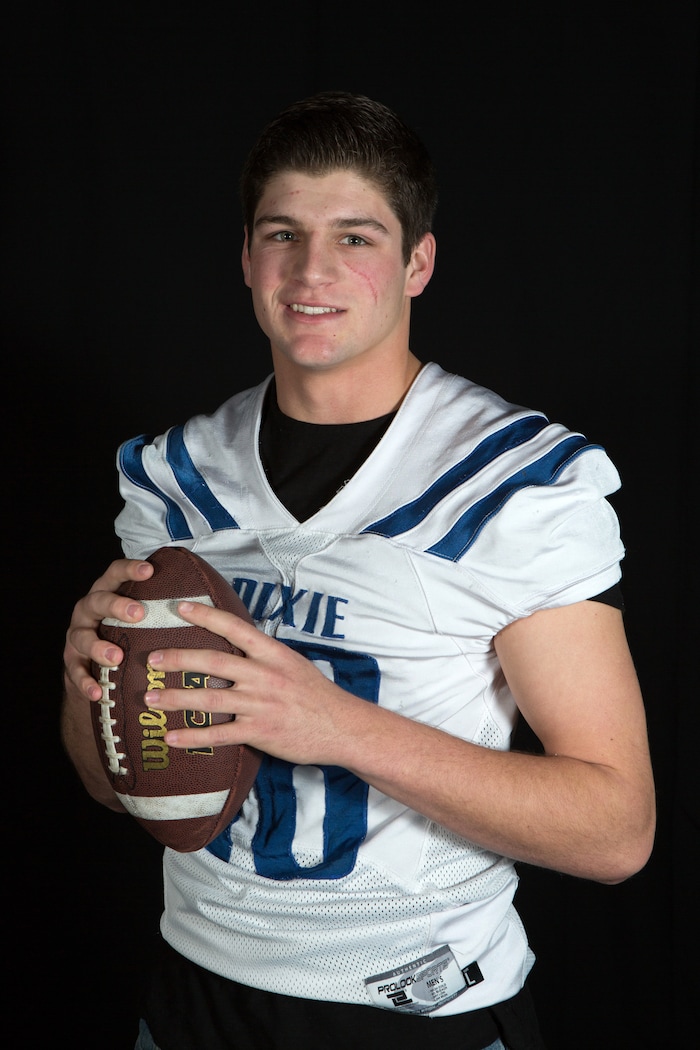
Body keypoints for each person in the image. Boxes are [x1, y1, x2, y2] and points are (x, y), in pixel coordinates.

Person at [61, 91, 655, 1050]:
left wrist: (330, 723)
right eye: (283, 233)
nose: (311, 271)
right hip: (193, 997)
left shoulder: (516, 485)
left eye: (357, 237)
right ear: (247, 257)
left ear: (418, 262)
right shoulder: (175, 478)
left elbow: (617, 829)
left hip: (416, 1011)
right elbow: (108, 779)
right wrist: (87, 678)